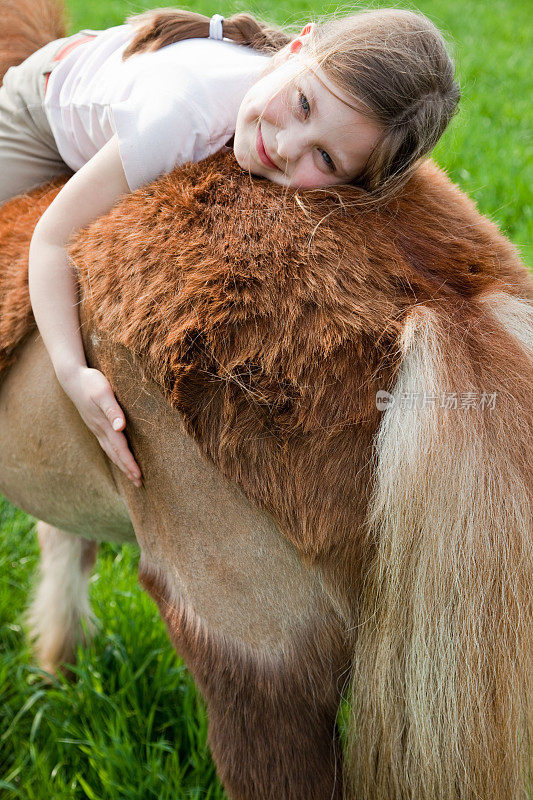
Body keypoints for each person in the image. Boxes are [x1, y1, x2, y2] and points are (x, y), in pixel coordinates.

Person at [0, 7, 459, 487]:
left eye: (324, 157)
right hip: (43, 106)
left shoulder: (283, 96)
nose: (286, 146)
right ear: (297, 48)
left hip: (127, 84)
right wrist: (72, 372)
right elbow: (50, 240)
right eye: (303, 105)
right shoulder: (176, 119)